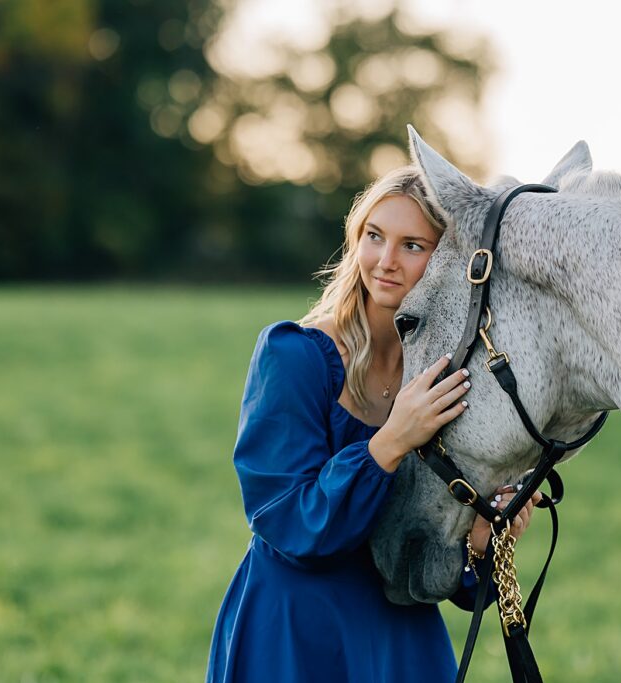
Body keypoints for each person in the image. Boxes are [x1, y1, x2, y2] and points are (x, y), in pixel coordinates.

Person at [206, 165, 541, 682]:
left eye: (413, 245)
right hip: (297, 633)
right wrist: (389, 443)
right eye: (374, 236)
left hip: (398, 632)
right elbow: (288, 524)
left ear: (447, 259)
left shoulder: (447, 378)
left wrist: (482, 538)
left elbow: (441, 560)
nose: (386, 262)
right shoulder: (295, 356)